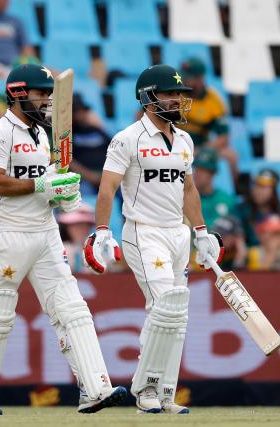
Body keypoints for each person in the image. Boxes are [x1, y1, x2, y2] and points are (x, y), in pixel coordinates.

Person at [0, 64, 125, 416]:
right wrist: (40, 186)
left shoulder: (41, 133)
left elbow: (44, 181)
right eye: (42, 94)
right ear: (19, 94)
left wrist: (60, 195)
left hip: (46, 232)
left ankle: (95, 389)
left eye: (50, 95)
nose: (49, 102)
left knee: (72, 307)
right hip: (9, 234)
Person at [83, 64, 223, 414]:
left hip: (178, 234)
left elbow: (189, 189)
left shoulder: (186, 140)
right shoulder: (127, 138)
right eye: (170, 93)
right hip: (143, 232)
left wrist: (201, 232)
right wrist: (102, 231)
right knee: (165, 307)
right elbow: (107, 188)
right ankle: (144, 390)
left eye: (180, 94)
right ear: (148, 97)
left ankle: (165, 393)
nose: (177, 100)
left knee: (178, 316)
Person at [177, 57, 237, 176]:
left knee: (231, 156)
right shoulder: (173, 91)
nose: (182, 80)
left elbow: (223, 137)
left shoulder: (213, 101)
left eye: (187, 78)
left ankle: (231, 191)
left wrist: (201, 150)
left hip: (199, 147)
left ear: (200, 79)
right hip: (170, 142)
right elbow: (143, 114)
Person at [238, 168, 280, 247]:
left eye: (263, 187)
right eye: (256, 185)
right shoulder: (242, 210)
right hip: (253, 253)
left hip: (279, 250)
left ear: (274, 191)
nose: (257, 191)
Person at [68, 93, 110, 195]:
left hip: (106, 176)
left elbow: (116, 150)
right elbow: (69, 162)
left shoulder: (97, 130)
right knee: (83, 191)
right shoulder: (68, 135)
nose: (79, 115)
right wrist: (91, 176)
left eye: (81, 111)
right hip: (84, 179)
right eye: (75, 112)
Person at [193, 147, 237, 226]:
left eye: (203, 170)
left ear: (213, 173)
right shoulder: (186, 200)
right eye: (196, 169)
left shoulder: (227, 200)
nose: (197, 174)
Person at [58, 204, 96, 273]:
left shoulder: (97, 250)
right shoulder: (59, 249)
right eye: (76, 225)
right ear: (66, 227)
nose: (81, 230)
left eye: (86, 225)